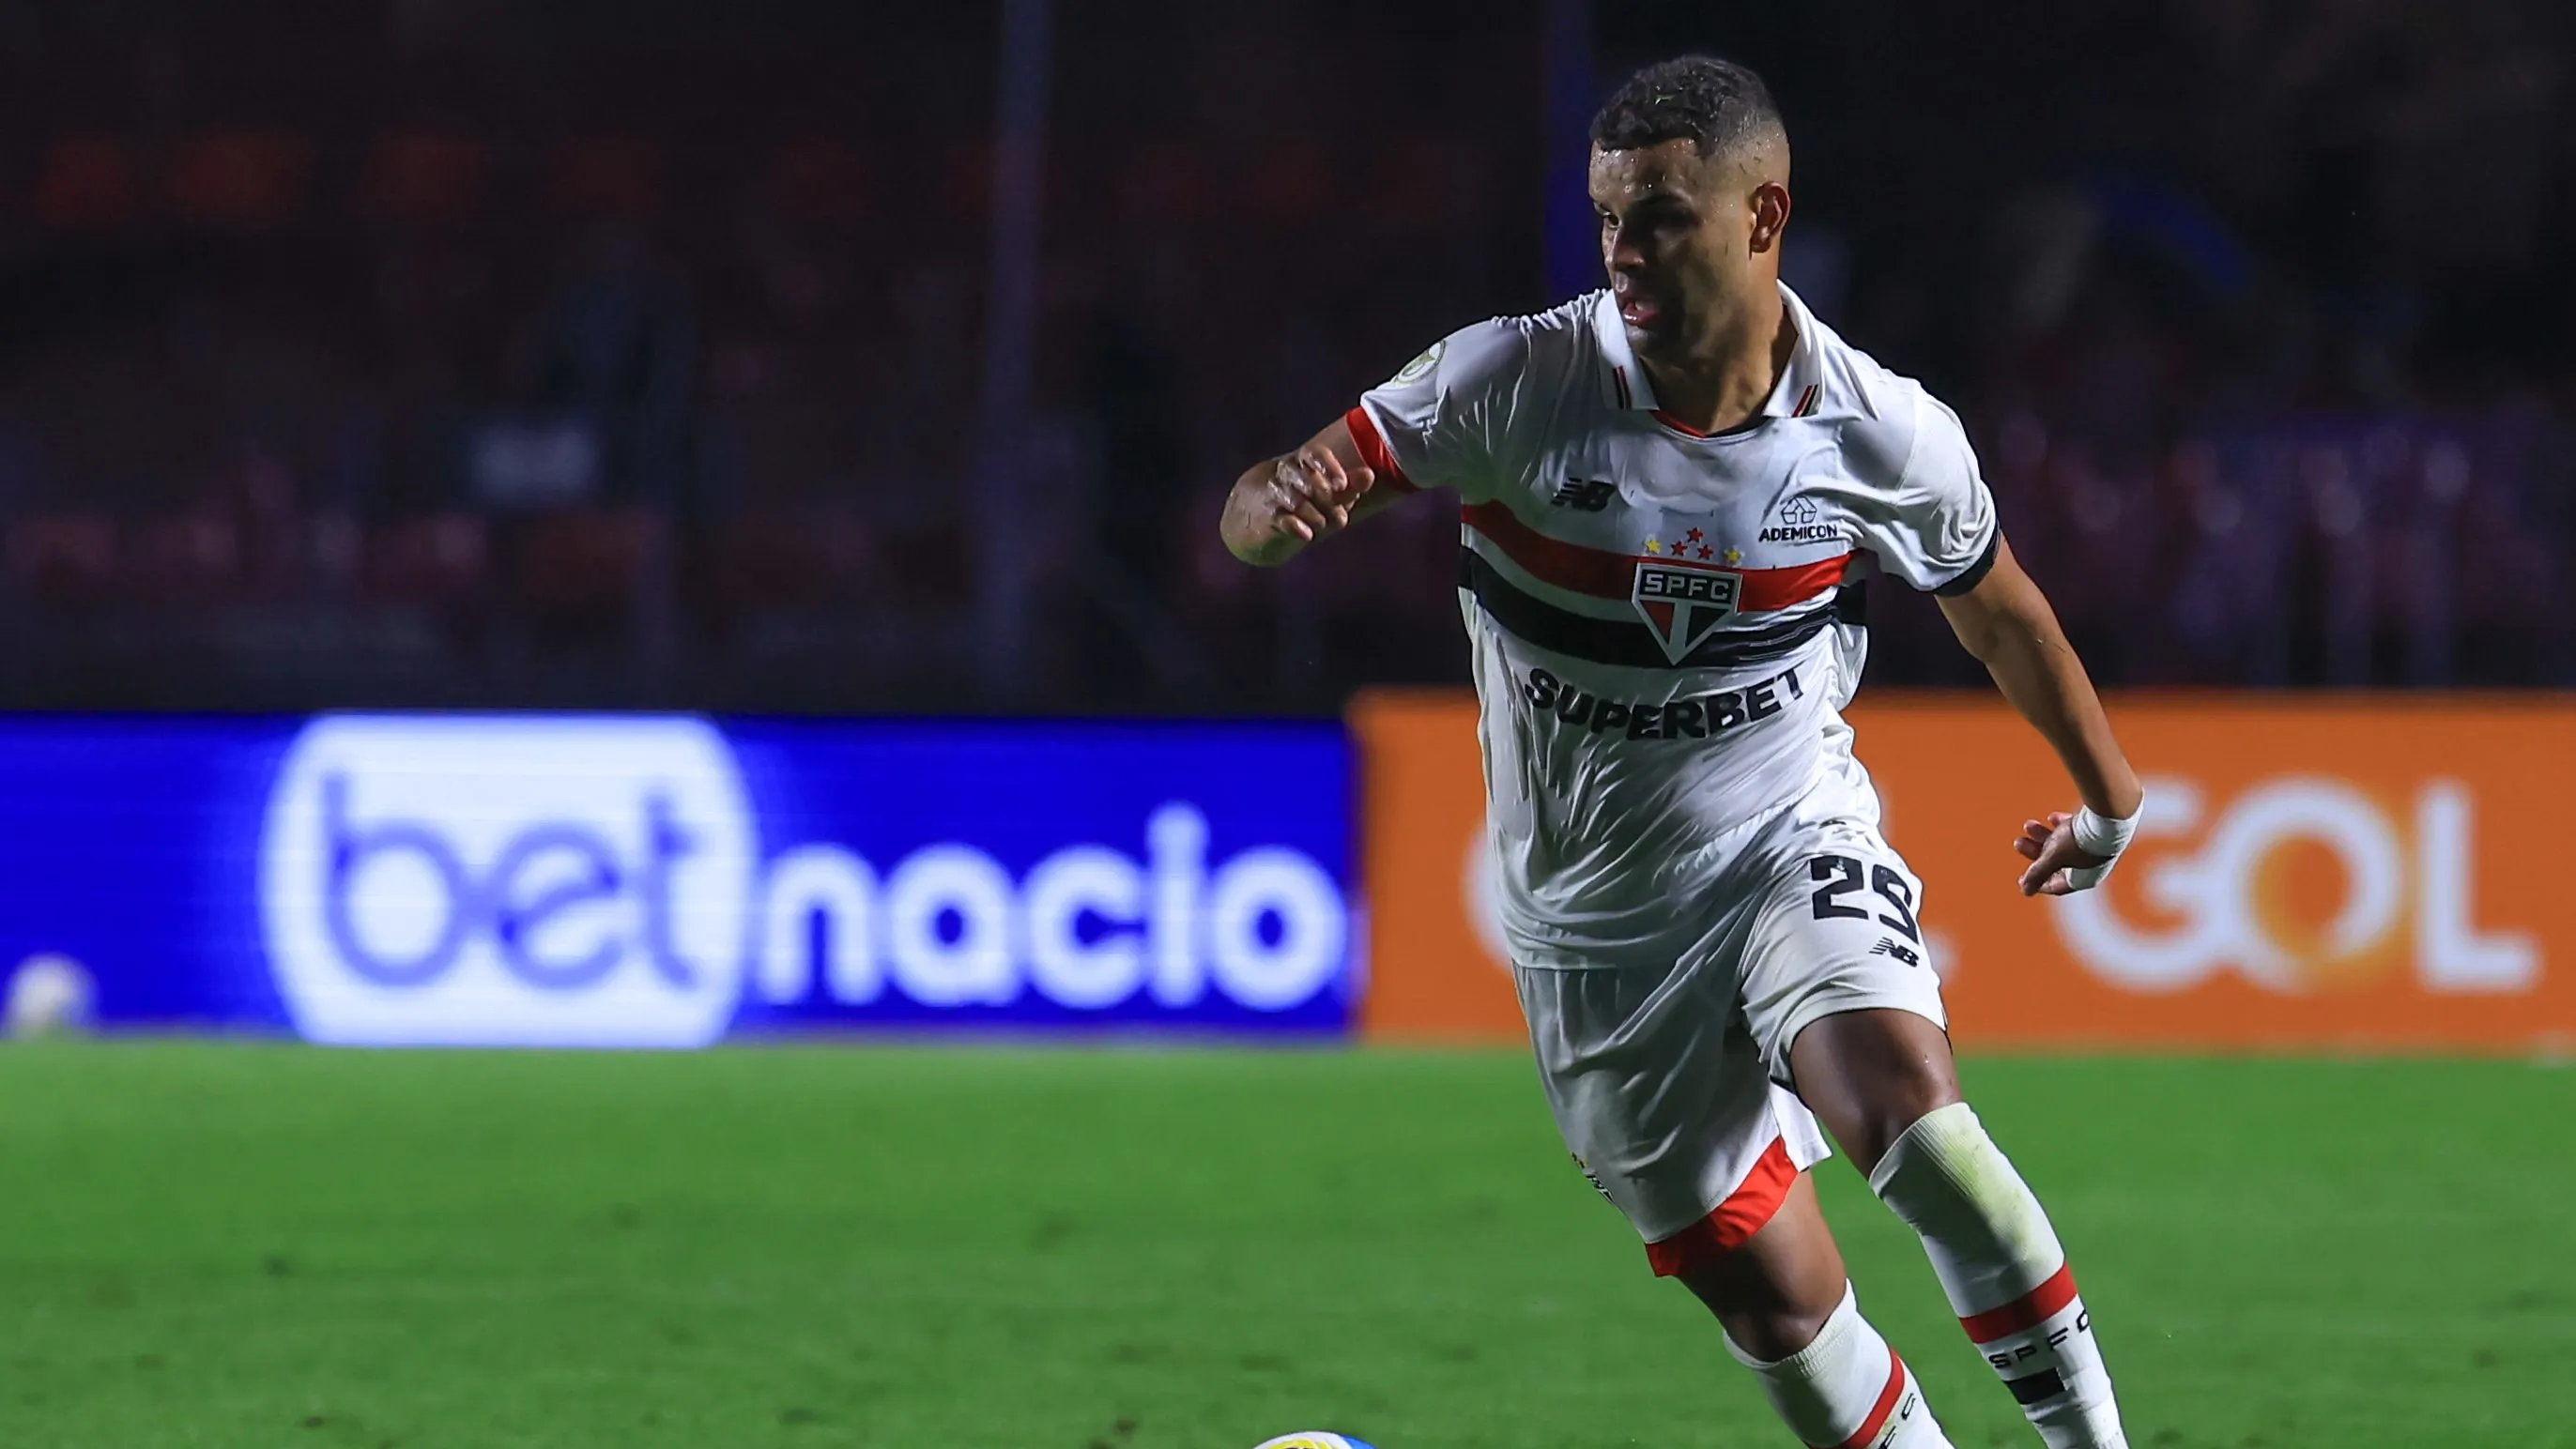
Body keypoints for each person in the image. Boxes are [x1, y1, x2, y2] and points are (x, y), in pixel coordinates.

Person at [1218, 54, 2143, 1449]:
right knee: (1778, 1304)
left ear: (1762, 216)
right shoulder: (1515, 380)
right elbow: (1257, 500)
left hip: (1787, 841)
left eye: (1659, 216)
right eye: (1607, 218)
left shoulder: (1878, 430)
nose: (1622, 251)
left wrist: (2110, 801)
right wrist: (1276, 507)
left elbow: (2003, 613)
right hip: (1595, 938)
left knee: (1916, 1120)